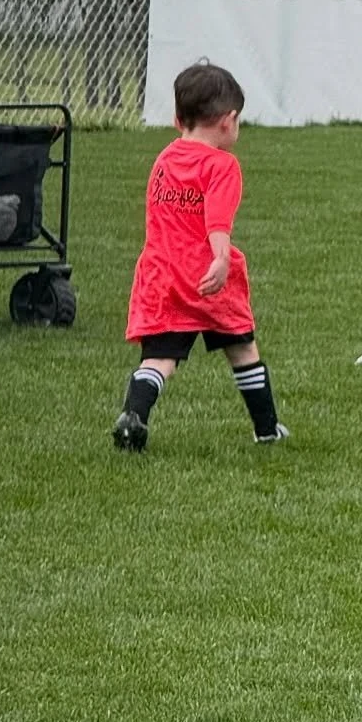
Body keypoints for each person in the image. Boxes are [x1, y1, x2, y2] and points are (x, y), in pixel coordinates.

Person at [113, 62, 284, 452]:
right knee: (242, 350)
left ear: (177, 119)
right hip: (208, 278)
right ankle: (267, 430)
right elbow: (217, 221)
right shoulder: (222, 165)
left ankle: (133, 416)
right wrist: (222, 260)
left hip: (162, 277)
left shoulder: (165, 160)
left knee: (159, 360)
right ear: (229, 121)